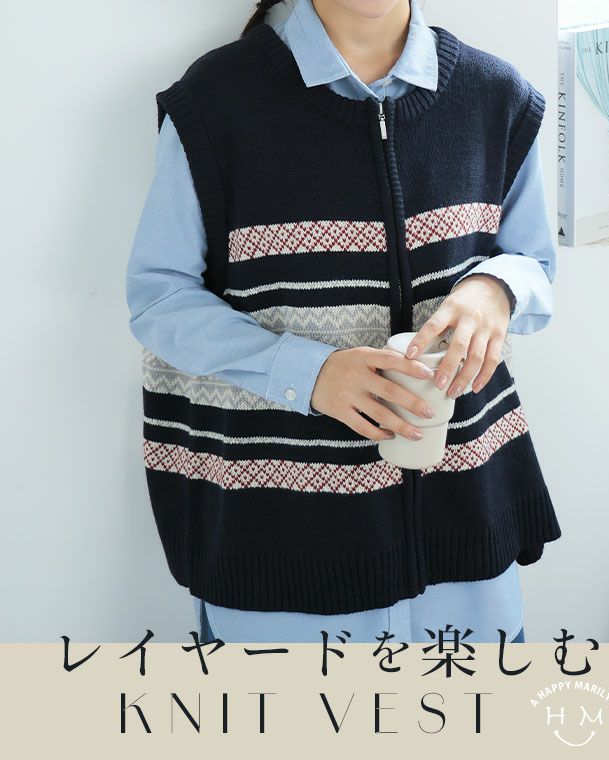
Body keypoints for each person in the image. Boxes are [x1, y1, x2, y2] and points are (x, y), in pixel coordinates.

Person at [125, 0, 561, 645]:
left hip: (467, 538)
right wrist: (309, 374)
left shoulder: (494, 97)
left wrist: (496, 288)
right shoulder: (215, 101)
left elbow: (534, 261)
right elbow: (159, 297)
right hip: (277, 549)